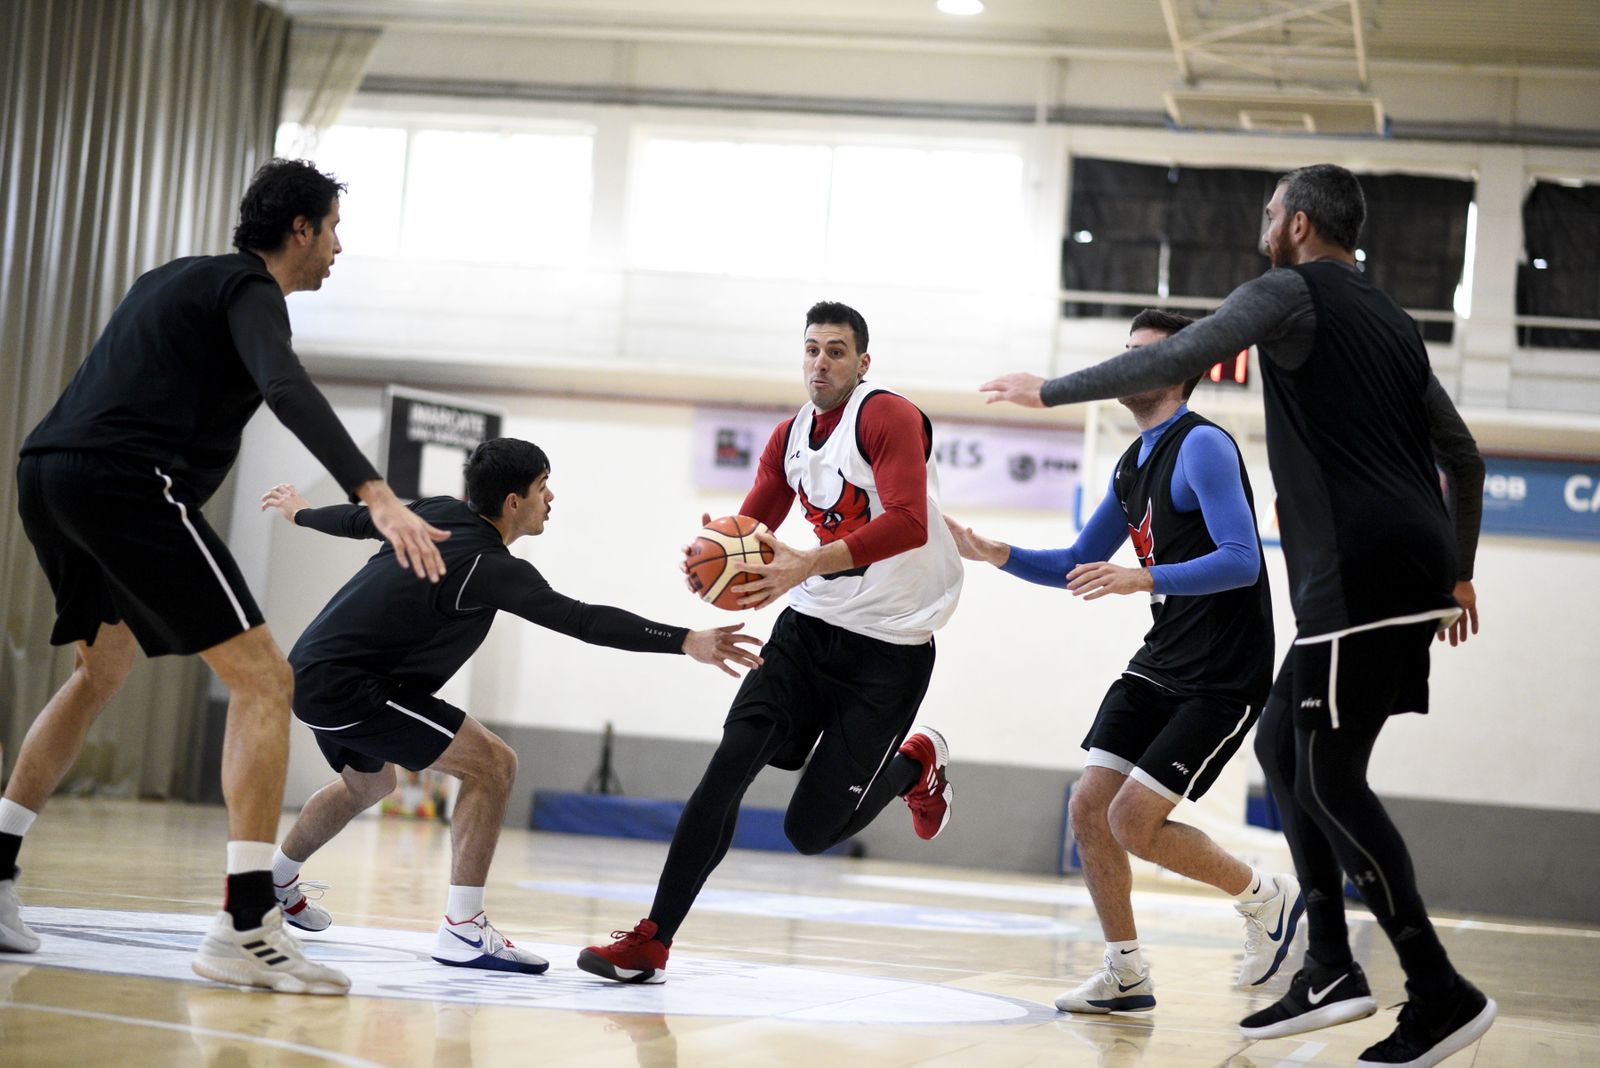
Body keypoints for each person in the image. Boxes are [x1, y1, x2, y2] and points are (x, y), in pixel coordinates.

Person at [982, 164, 1491, 1068]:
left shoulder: (1287, 294)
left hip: (1362, 568)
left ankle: (1438, 990)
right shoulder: (1393, 323)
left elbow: (1179, 355)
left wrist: (1051, 389)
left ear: (1296, 224)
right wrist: (1455, 570)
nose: (1263, 224)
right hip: (1396, 564)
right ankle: (1329, 963)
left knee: (1329, 777)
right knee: (1285, 754)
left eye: (1268, 212)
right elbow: (1463, 454)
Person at [3, 159, 448, 995]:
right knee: (266, 681)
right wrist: (375, 493)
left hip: (48, 473)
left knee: (101, 670)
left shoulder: (173, 276)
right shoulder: (252, 291)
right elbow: (285, 386)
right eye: (334, 230)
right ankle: (245, 926)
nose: (339, 249)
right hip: (127, 482)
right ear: (300, 230)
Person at [257, 437, 763, 974]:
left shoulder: (434, 512)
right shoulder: (487, 566)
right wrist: (685, 639)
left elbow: (361, 520)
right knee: (494, 765)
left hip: (313, 669)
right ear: (514, 501)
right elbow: (582, 620)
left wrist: (303, 513)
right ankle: (463, 930)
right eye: (544, 486)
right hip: (350, 686)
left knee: (371, 784)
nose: (552, 498)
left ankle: (276, 879)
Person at [577, 300, 964, 984]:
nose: (822, 361)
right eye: (812, 349)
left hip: (891, 645)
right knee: (728, 766)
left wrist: (803, 562)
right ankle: (653, 939)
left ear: (862, 362)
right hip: (810, 629)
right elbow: (752, 523)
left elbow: (906, 522)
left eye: (837, 351)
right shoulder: (789, 436)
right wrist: (714, 555)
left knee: (808, 833)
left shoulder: (886, 416)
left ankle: (916, 762)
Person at [948, 308, 1294, 1014]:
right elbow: (1080, 562)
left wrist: (1147, 577)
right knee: (1089, 806)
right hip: (1163, 655)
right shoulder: (1132, 460)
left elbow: (1240, 560)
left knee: (1134, 821)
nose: (1128, 362)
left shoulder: (1202, 447)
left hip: (1223, 671)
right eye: (1125, 350)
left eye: (1145, 354)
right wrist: (998, 554)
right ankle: (1126, 971)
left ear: (1178, 369)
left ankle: (1266, 899)